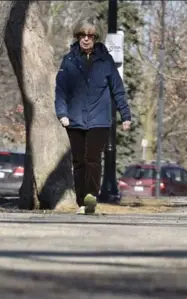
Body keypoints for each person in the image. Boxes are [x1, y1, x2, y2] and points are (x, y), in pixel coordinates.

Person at [55, 18, 131, 214]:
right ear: (78, 36)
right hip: (74, 119)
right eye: (83, 35)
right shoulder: (69, 60)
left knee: (93, 158)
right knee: (79, 161)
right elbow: (60, 90)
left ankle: (91, 196)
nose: (86, 39)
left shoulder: (105, 61)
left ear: (96, 38)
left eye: (90, 36)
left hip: (99, 120)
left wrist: (126, 115)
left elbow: (118, 90)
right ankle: (82, 202)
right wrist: (62, 113)